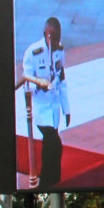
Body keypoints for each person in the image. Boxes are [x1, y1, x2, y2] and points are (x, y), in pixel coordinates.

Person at [22, 17, 71, 188]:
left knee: (49, 146)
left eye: (58, 37)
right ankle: (49, 181)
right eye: (52, 37)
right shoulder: (33, 52)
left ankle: (52, 181)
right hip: (41, 110)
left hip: (54, 109)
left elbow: (62, 79)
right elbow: (26, 82)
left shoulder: (59, 51)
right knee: (54, 144)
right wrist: (38, 86)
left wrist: (67, 109)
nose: (55, 41)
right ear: (45, 34)